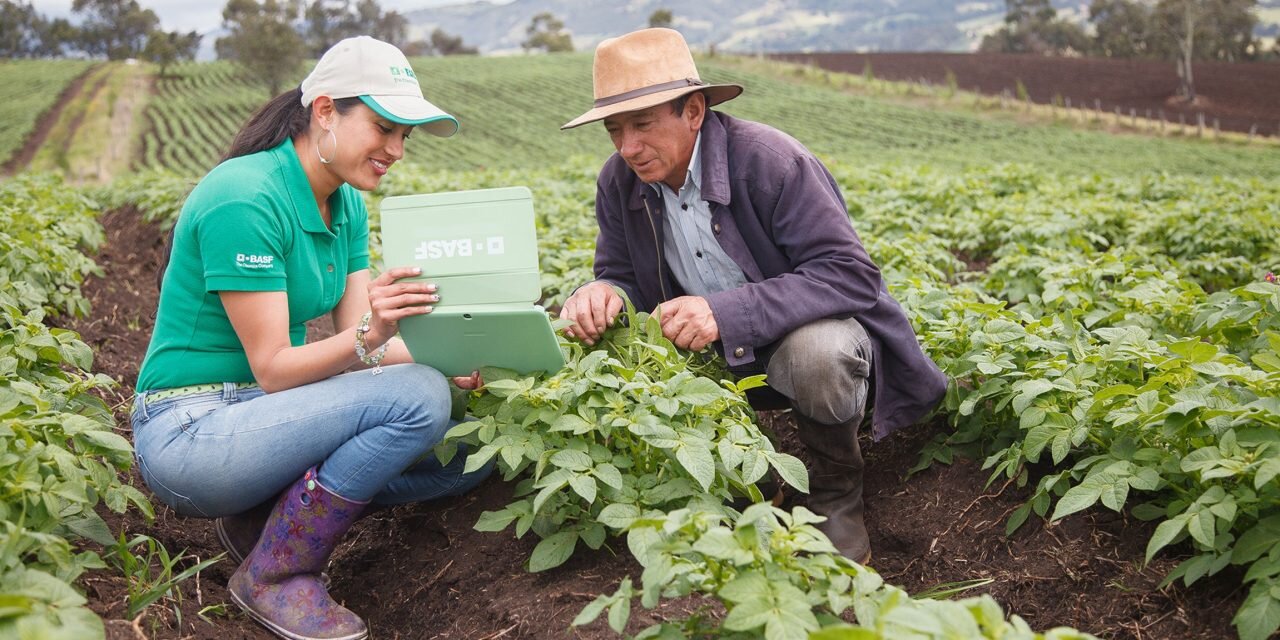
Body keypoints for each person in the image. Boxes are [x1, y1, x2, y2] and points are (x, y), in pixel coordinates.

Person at [132, 36, 491, 640]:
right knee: (419, 400)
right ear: (325, 110)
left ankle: (260, 527)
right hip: (191, 430)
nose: (397, 150)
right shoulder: (244, 196)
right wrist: (376, 336)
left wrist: (461, 356)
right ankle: (276, 572)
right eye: (384, 128)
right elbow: (277, 365)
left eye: (407, 136)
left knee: (469, 448)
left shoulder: (344, 202)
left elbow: (367, 348)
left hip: (268, 417)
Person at [559, 28, 948, 564]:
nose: (628, 147)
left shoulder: (769, 161)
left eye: (643, 125)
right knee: (612, 345)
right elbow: (619, 272)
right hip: (712, 353)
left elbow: (850, 275)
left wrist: (723, 312)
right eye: (614, 131)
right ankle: (759, 484)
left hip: (794, 340)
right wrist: (599, 292)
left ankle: (835, 494)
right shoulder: (620, 182)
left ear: (693, 110)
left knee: (819, 355)